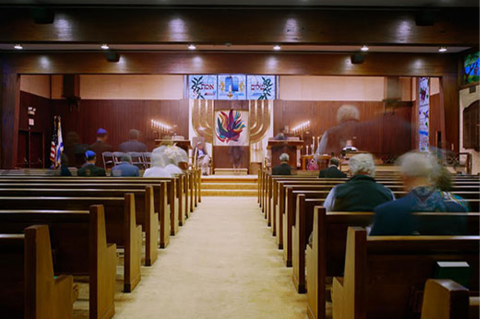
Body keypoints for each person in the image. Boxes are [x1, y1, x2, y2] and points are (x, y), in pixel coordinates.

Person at [370, 152, 468, 236]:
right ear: (431, 175)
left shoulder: (387, 211)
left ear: (404, 177)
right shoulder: (459, 207)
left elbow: (373, 249)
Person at [323, 153, 394, 212]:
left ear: (350, 172)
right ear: (372, 170)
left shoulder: (337, 191)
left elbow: (326, 212)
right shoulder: (387, 194)